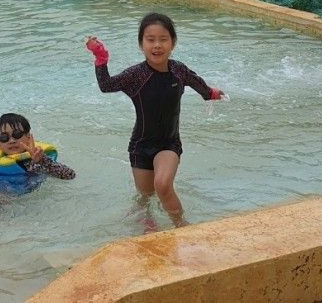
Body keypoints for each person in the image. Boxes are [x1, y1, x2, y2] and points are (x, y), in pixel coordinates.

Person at [86, 13, 224, 227]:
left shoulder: (179, 70)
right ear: (141, 44)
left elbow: (199, 85)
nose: (157, 45)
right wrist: (101, 59)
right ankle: (148, 225)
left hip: (168, 144)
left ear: (173, 42)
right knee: (145, 198)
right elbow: (107, 86)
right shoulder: (136, 75)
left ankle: (181, 225)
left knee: (162, 185)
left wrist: (211, 93)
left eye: (163, 39)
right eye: (150, 39)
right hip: (140, 147)